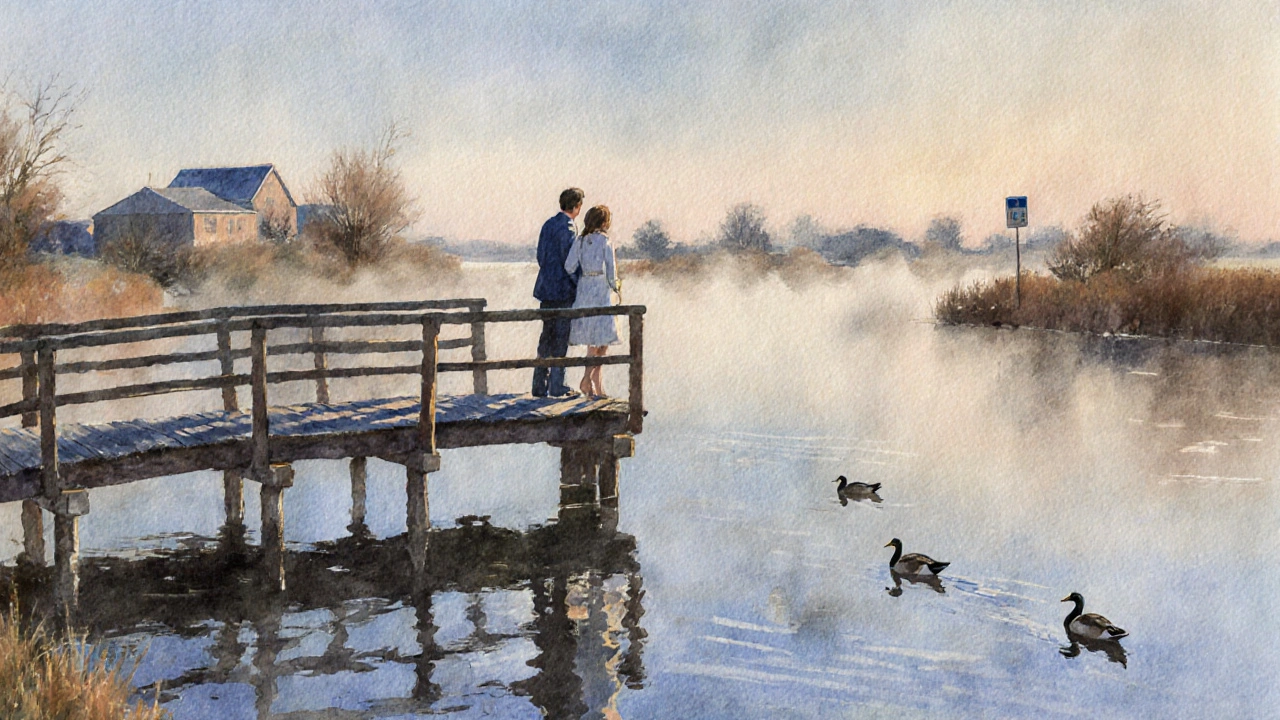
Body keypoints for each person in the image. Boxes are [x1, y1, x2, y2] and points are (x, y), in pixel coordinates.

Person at [532, 188, 585, 397]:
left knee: (546, 337)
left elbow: (540, 256)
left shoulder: (548, 224)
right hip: (563, 291)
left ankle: (538, 385)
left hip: (546, 289)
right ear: (577, 206)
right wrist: (578, 285)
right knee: (560, 338)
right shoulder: (569, 229)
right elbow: (570, 264)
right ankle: (556, 385)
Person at [564, 205, 620, 397]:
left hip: (585, 288)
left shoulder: (580, 241)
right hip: (600, 289)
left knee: (597, 341)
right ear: (604, 223)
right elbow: (611, 272)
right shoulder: (605, 241)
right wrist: (616, 288)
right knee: (600, 339)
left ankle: (596, 384)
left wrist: (583, 274)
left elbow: (569, 266)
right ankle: (587, 380)